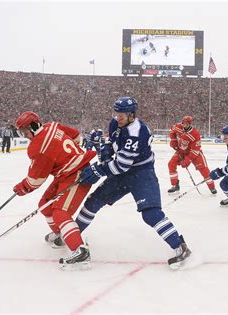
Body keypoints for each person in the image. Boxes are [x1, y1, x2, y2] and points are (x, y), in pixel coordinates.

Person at [75, 97, 193, 270]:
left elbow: (122, 164)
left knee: (150, 214)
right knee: (93, 201)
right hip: (123, 174)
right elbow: (111, 142)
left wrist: (99, 170)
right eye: (116, 113)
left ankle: (180, 246)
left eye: (122, 115)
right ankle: (72, 236)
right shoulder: (116, 123)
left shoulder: (138, 132)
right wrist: (106, 152)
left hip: (142, 173)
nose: (118, 117)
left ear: (131, 115)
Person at [12, 111, 97, 270]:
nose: (24, 136)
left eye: (24, 131)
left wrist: (22, 188)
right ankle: (62, 234)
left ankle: (80, 250)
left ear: (33, 126)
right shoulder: (51, 126)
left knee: (60, 212)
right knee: (44, 204)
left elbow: (35, 181)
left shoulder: (38, 147)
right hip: (66, 174)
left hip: (78, 174)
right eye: (20, 132)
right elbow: (77, 137)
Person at [167, 115, 216, 194]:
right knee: (171, 164)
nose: (184, 125)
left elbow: (195, 150)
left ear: (190, 124)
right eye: (183, 123)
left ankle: (212, 187)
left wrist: (187, 161)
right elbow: (172, 131)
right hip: (181, 151)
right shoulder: (178, 126)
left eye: (186, 123)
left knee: (204, 169)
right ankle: (175, 185)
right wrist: (174, 140)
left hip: (194, 153)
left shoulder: (195, 134)